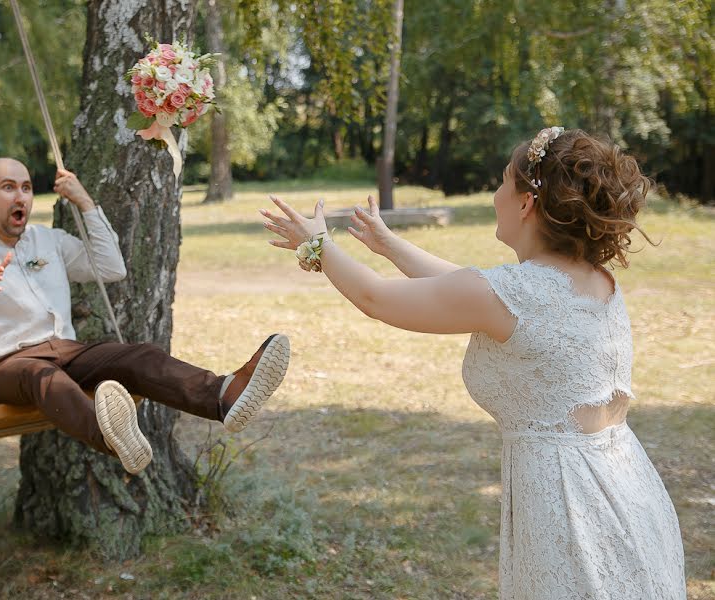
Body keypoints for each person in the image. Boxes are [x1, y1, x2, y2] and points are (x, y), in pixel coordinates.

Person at [262, 128, 685, 599]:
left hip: (569, 504)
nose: (494, 195)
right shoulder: (592, 278)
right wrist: (389, 245)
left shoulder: (517, 293)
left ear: (526, 203)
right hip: (628, 488)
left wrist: (318, 245)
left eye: (504, 182)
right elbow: (472, 291)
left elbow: (377, 298)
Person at [0, 157, 290, 474]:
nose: (21, 196)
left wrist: (84, 203)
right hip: (6, 367)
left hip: (66, 350)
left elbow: (111, 267)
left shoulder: (46, 240)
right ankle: (113, 438)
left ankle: (224, 395)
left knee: (139, 356)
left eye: (25, 187)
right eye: (7, 188)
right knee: (40, 373)